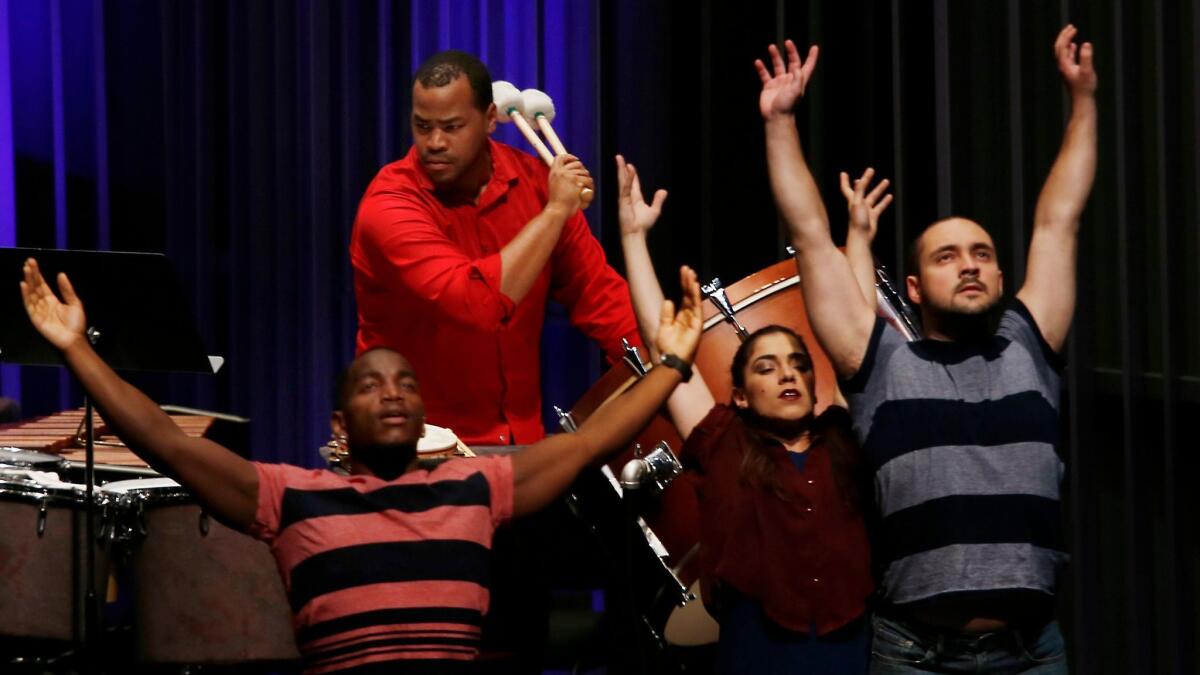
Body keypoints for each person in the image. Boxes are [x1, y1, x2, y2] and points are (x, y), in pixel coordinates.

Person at [18, 257, 702, 674]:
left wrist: (671, 365)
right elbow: (166, 441)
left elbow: (587, 443)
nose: (394, 391)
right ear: (339, 427)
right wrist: (77, 350)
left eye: (405, 383)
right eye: (371, 384)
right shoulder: (293, 496)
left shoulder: (474, 485)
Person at [762, 26, 1095, 673]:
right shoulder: (883, 362)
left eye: (982, 255)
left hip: (1031, 651)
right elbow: (808, 232)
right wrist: (780, 122)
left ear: (1002, 278)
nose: (968, 266)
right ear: (912, 288)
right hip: (916, 654)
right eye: (947, 256)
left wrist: (1082, 102)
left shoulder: (1030, 343)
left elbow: (1060, 218)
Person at [615, 148, 892, 674]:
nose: (787, 374)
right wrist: (633, 238)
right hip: (755, 655)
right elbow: (665, 348)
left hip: (851, 654)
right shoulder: (724, 442)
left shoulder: (844, 434)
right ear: (739, 395)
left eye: (797, 365)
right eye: (766, 368)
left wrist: (859, 240)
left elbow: (858, 333)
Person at [350, 49, 641, 447]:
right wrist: (556, 210)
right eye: (422, 126)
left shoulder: (535, 181)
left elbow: (601, 298)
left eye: (451, 127)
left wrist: (664, 371)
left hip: (518, 445)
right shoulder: (389, 204)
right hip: (417, 450)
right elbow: (477, 304)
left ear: (489, 119)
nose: (434, 142)